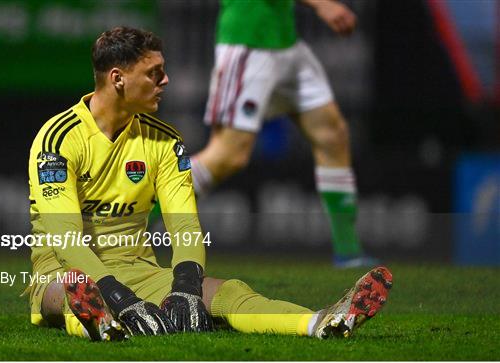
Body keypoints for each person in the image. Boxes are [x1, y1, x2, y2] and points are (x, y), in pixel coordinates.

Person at [27, 26, 392, 341]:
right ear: (118, 78)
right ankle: (98, 319)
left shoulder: (166, 141)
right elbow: (65, 239)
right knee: (76, 294)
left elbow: (184, 223)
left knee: (226, 291)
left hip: (139, 271)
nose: (165, 80)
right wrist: (114, 293)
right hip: (64, 271)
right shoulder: (58, 139)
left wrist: (185, 285)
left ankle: (320, 322)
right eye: (154, 72)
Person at [190, 0, 375, 268]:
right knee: (228, 156)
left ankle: (348, 251)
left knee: (332, 135)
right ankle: (136, 222)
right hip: (248, 42)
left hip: (286, 43)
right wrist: (322, 4)